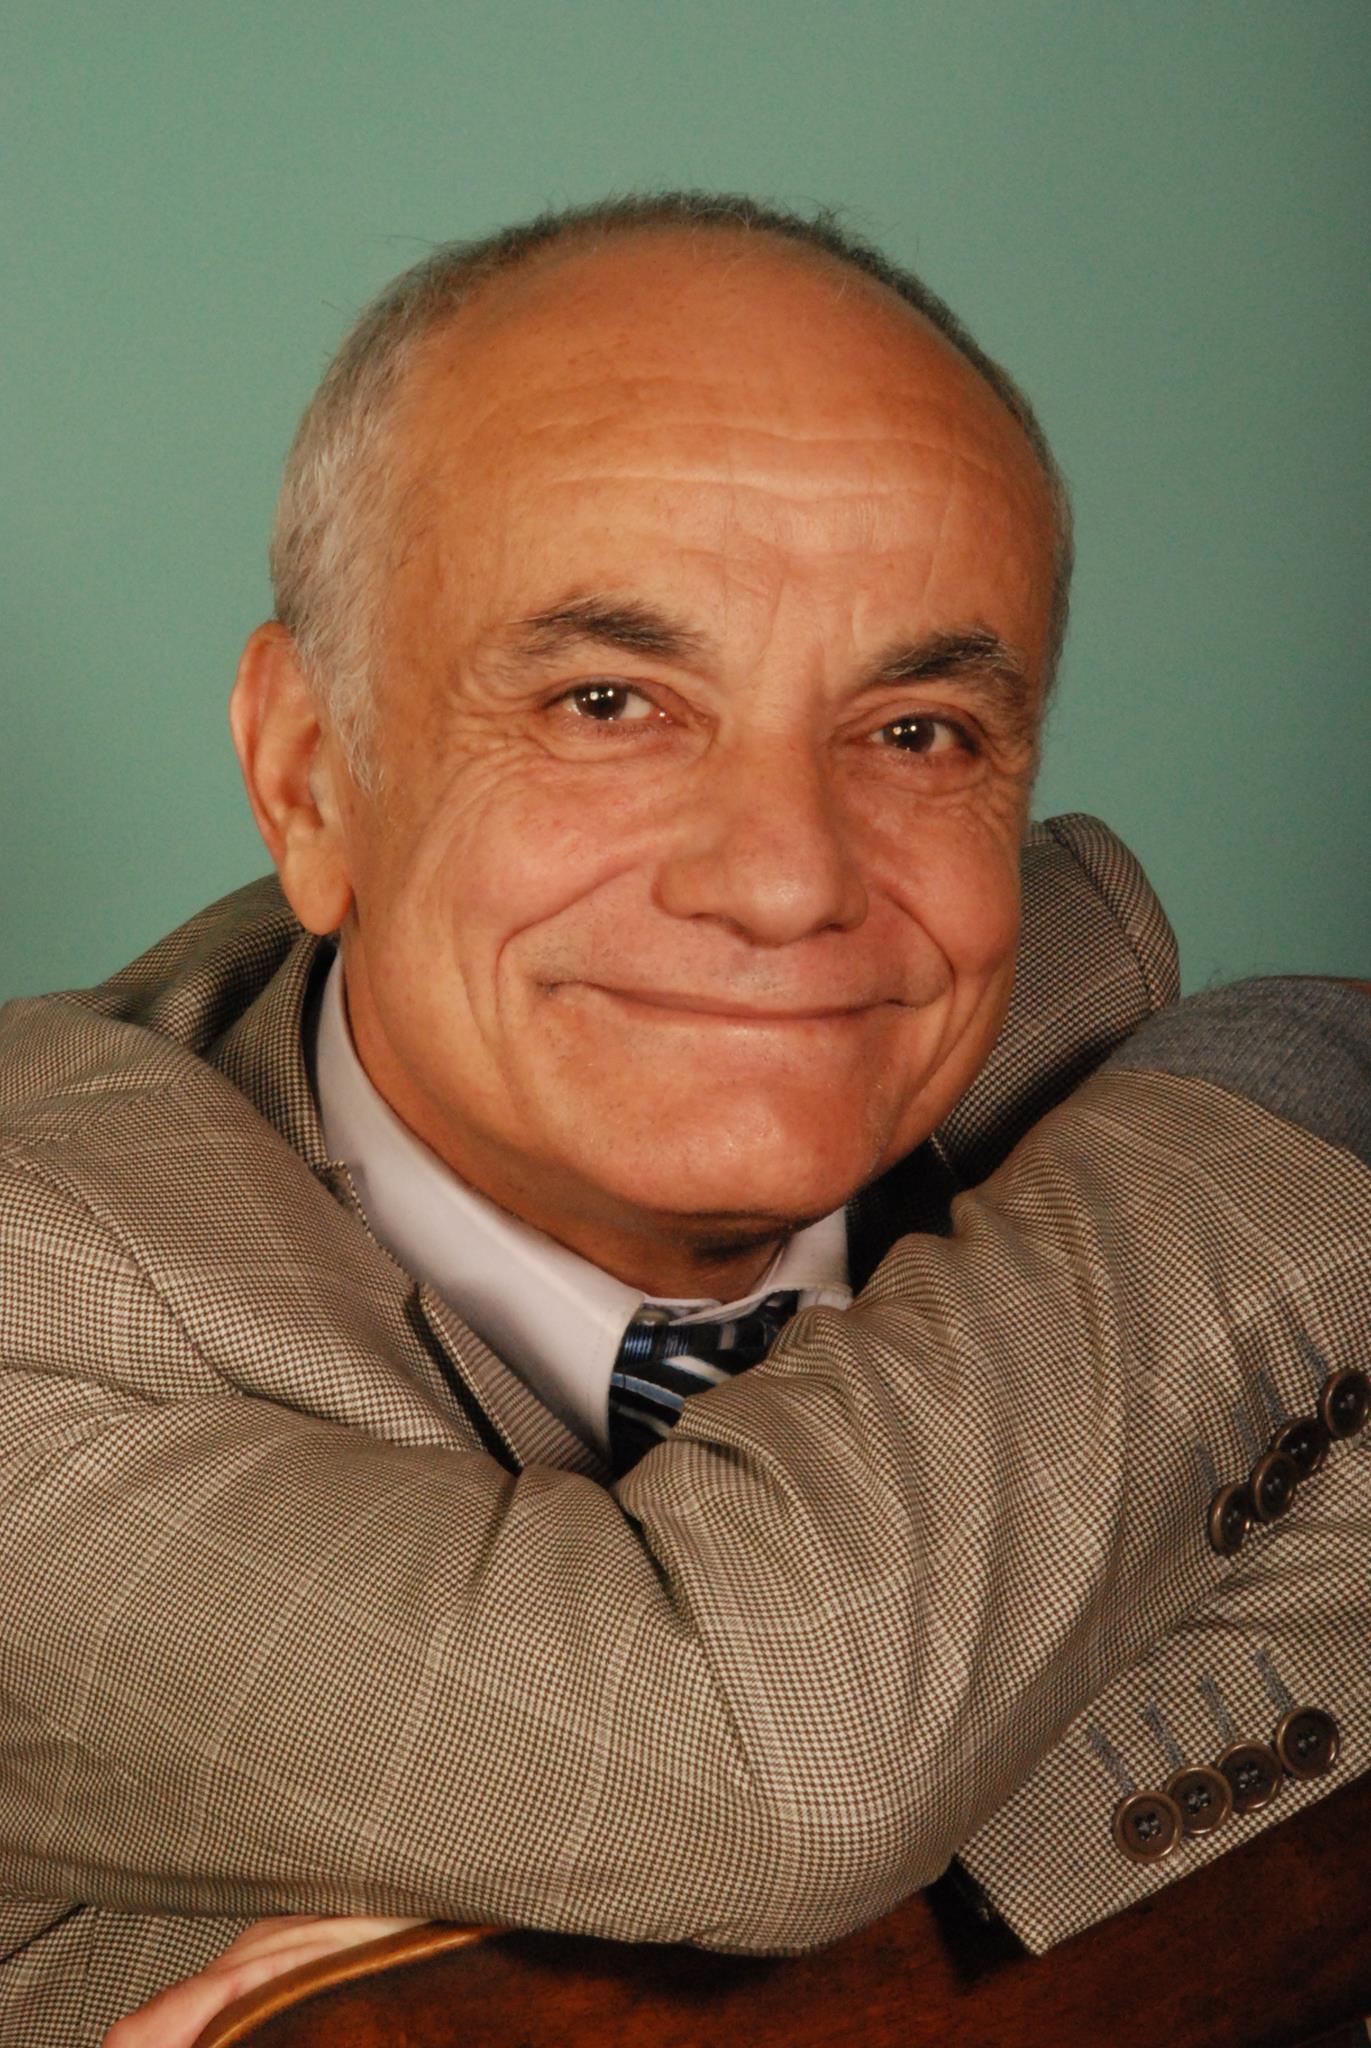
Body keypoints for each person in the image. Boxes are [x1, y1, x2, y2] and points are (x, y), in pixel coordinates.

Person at [0, 195, 1366, 2047]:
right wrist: (1312, 1084)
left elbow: (780, 1794)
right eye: (610, 702)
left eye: (915, 732)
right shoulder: (32, 1281)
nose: (789, 881)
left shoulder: (1051, 1042)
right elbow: (783, 1775)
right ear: (310, 778)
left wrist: (540, 1939)